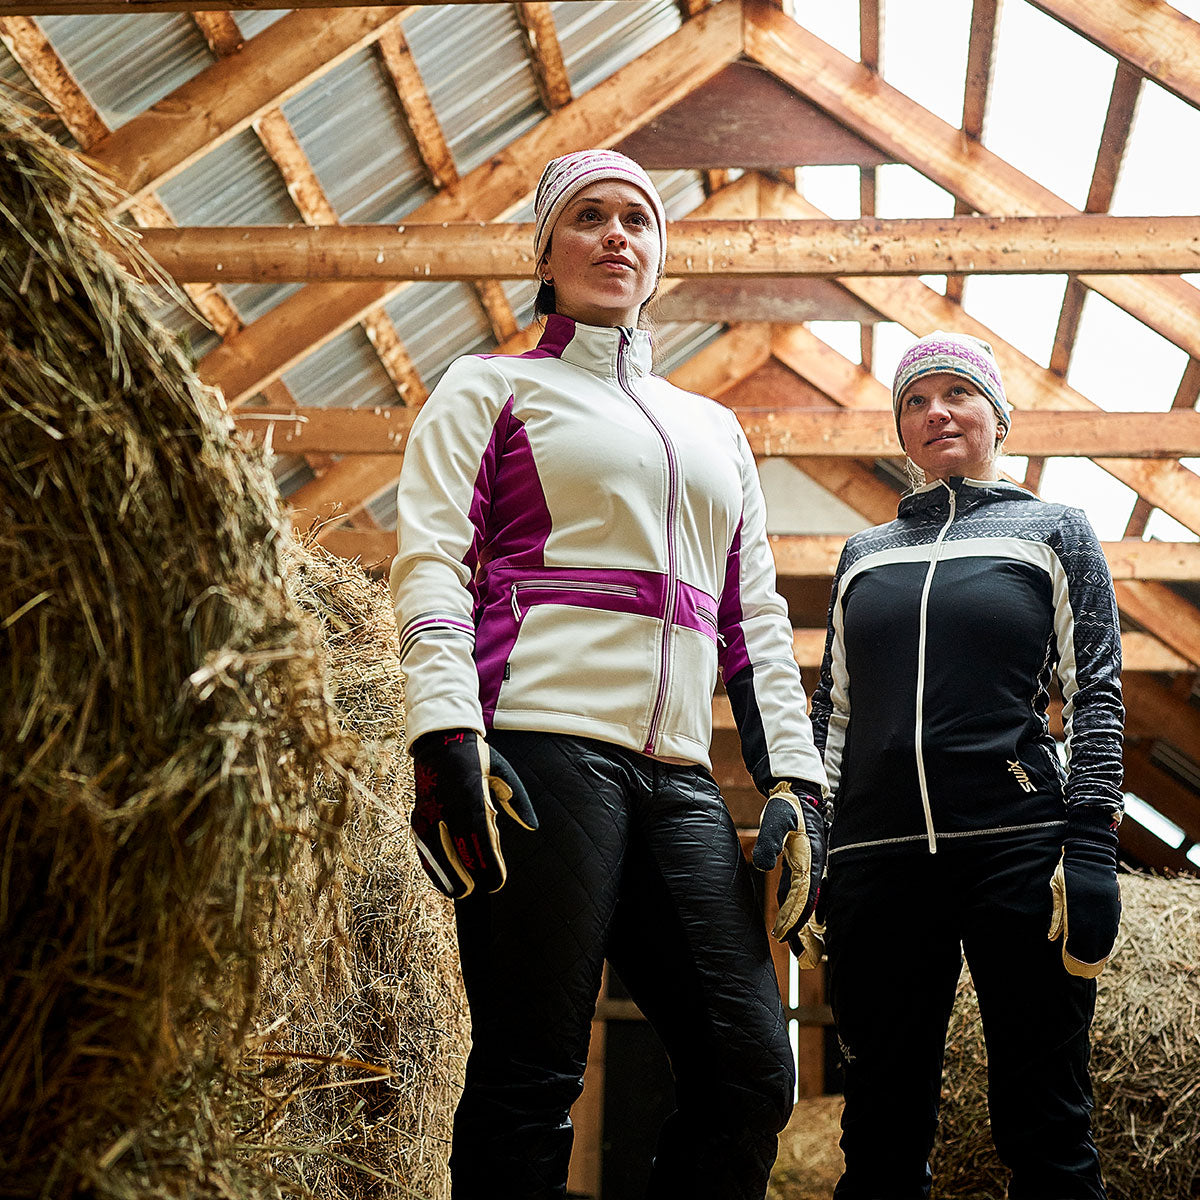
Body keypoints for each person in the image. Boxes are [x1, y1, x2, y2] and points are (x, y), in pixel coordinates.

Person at [389, 148, 830, 1200]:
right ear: (544, 249)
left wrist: (798, 782)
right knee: (531, 1071)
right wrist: (445, 733)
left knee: (751, 1071)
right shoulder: (488, 387)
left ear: (659, 256)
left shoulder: (714, 429)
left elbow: (753, 619)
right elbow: (431, 563)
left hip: (678, 775)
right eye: (588, 216)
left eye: (637, 219)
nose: (616, 236)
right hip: (536, 753)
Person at [807, 330, 1125, 1200]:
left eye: (957, 394)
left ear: (998, 417)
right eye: (915, 399)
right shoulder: (863, 555)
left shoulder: (1054, 531)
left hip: (1016, 849)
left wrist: (1091, 842)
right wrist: (820, 843)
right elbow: (830, 716)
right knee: (878, 1127)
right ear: (902, 431)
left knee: (1046, 1120)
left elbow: (1095, 691)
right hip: (877, 863)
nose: (935, 411)